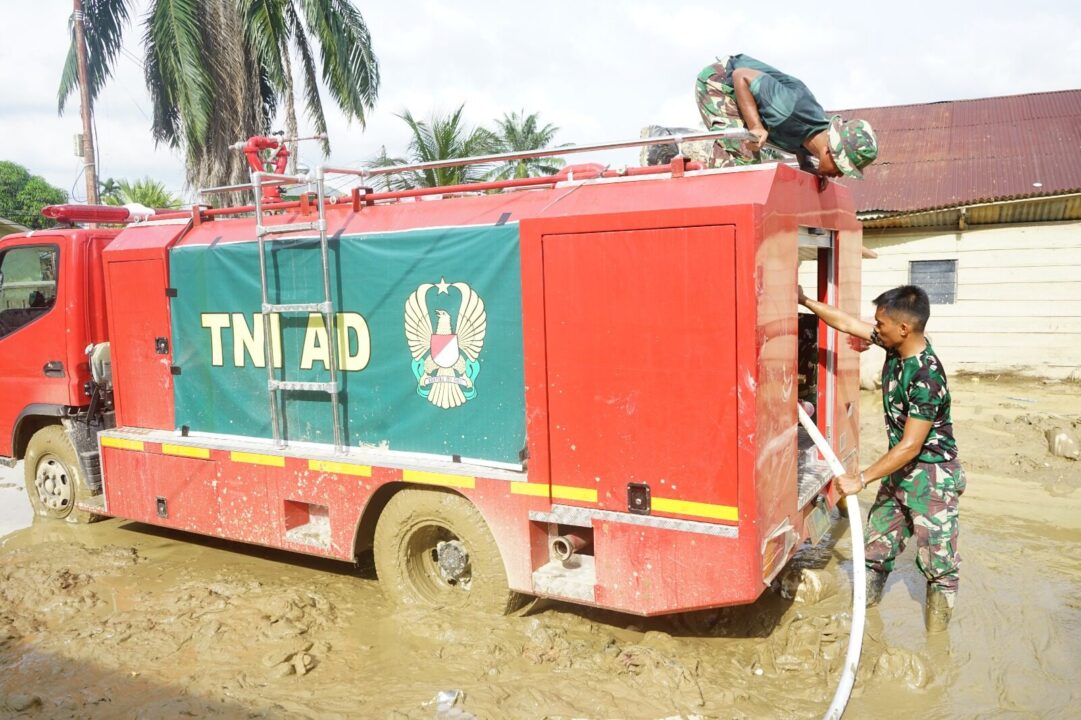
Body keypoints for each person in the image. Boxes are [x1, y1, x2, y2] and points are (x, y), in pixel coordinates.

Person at [798, 284, 965, 632]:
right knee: (876, 548)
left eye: (881, 323)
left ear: (904, 328)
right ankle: (865, 618)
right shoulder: (896, 346)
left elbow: (910, 446)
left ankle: (937, 646)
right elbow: (846, 324)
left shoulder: (926, 376)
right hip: (899, 471)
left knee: (940, 568)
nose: (875, 328)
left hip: (932, 478)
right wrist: (804, 300)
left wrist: (861, 479)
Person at [696, 54, 878, 181]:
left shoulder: (817, 136)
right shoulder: (788, 108)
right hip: (720, 82)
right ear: (829, 152)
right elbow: (740, 75)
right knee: (744, 163)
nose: (839, 175)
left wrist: (806, 165)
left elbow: (800, 138)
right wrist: (755, 126)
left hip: (742, 93)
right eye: (841, 168)